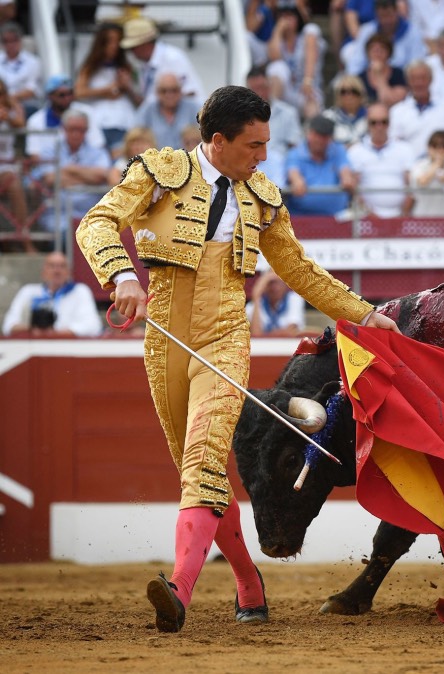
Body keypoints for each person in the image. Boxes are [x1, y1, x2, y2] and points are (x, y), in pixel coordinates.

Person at [75, 84, 399, 634]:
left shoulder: (263, 197)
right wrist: (122, 275)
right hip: (165, 344)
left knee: (204, 457)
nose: (264, 156)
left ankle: (179, 589)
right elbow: (96, 223)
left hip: (225, 337)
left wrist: (364, 314)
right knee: (194, 473)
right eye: (254, 146)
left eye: (267, 144)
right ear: (218, 141)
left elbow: (300, 271)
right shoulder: (159, 173)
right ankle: (249, 582)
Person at [31, 109, 111, 233]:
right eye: (72, 129)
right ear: (63, 128)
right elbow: (51, 179)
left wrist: (70, 169)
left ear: (87, 130)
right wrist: (88, 178)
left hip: (91, 216)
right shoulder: (50, 150)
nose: (76, 134)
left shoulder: (98, 152)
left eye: (81, 130)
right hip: (58, 216)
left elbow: (101, 176)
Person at [73, 22, 140, 154]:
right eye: (110, 42)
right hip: (99, 122)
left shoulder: (127, 66)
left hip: (122, 121)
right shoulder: (90, 67)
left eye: (117, 42)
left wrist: (126, 86)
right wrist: (105, 91)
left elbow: (138, 97)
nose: (114, 46)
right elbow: (78, 92)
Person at [2, 251, 103, 337]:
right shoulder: (28, 292)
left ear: (69, 272)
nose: (57, 271)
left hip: (65, 348)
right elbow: (8, 326)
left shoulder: (79, 291)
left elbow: (93, 327)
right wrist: (34, 328)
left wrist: (55, 333)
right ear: (43, 272)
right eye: (52, 266)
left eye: (62, 266)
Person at [347, 103, 416, 217]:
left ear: (390, 123)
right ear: (367, 123)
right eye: (374, 123)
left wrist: (402, 215)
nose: (379, 127)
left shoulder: (405, 149)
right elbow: (354, 189)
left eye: (384, 122)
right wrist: (369, 214)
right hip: (366, 218)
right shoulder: (355, 151)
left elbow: (411, 185)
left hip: (401, 216)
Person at [119, 16, 204, 106]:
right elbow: (147, 104)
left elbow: (190, 93)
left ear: (144, 43)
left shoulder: (173, 58)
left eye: (132, 47)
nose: (131, 52)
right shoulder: (143, 64)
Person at [389, 60, 444, 157]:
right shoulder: (397, 111)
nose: (419, 83)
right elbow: (394, 145)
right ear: (408, 82)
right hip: (410, 166)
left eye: (423, 78)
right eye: (414, 79)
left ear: (431, 80)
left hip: (442, 165)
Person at [285, 114, 355, 216]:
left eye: (325, 136)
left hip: (336, 217)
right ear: (309, 133)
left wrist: (347, 178)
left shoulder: (338, 150)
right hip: (302, 217)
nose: (320, 140)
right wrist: (296, 180)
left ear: (330, 138)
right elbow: (293, 172)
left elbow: (345, 171)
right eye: (317, 134)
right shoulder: (296, 153)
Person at [265, 5, 326, 120]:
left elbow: (311, 53)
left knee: (310, 102)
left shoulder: (308, 33)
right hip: (287, 91)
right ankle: (271, 118)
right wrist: (277, 31)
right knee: (276, 67)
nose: (285, 20)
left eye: (289, 16)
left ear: (298, 18)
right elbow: (274, 56)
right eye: (282, 16)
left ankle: (311, 134)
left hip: (308, 88)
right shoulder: (278, 41)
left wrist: (308, 80)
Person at [25, 74, 105, 160]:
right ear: (50, 96)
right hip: (50, 169)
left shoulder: (87, 112)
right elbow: (35, 155)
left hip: (87, 166)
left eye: (70, 93)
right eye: (62, 95)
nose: (67, 98)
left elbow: (98, 146)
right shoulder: (36, 121)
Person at [342, 0, 426, 76]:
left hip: (403, 82)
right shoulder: (367, 31)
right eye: (382, 16)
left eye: (389, 15)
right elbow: (356, 63)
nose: (386, 21)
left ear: (397, 12)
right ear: (376, 15)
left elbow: (416, 63)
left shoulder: (413, 31)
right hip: (370, 81)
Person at [134, 73, 202, 150]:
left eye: (174, 90)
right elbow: (135, 135)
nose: (169, 95)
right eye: (164, 91)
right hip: (156, 159)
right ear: (157, 92)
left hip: (188, 158)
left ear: (181, 91)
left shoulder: (194, 108)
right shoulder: (148, 109)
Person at [245, 65, 302, 157]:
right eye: (254, 90)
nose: (259, 94)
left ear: (269, 86)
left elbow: (295, 147)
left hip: (280, 166)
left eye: (262, 87)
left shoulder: (288, 113)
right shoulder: (241, 116)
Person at [0, 75, 26, 237]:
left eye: (1, 93)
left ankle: (24, 238)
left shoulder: (12, 106)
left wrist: (7, 117)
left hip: (5, 166)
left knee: (15, 186)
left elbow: (21, 123)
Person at [246, 269, 306, 337]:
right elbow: (256, 335)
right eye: (270, 283)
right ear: (264, 286)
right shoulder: (253, 305)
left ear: (286, 284)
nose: (275, 287)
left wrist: (264, 335)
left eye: (279, 282)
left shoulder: (294, 299)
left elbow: (290, 332)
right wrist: (256, 296)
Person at [357, 33, 409, 108]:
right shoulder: (360, 78)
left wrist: (379, 75)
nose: (377, 53)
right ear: (368, 53)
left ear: (389, 52)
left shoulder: (399, 74)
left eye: (382, 49)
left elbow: (388, 101)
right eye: (373, 49)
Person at [0, 21, 41, 115]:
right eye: (6, 41)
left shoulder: (33, 62)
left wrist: (10, 99)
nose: (10, 45)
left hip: (24, 103)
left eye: (14, 40)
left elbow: (32, 90)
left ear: (20, 40)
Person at [321, 74, 369, 146]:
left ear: (361, 94)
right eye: (343, 92)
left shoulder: (371, 116)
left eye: (353, 91)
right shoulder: (328, 117)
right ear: (338, 95)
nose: (348, 96)